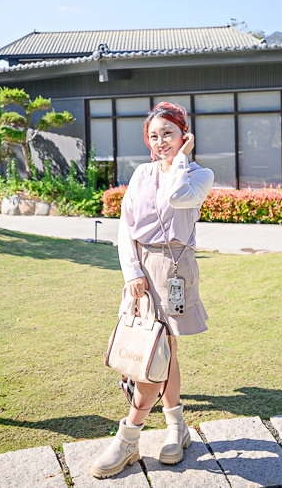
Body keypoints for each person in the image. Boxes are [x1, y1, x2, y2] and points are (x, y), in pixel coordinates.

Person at [91, 102, 214, 480]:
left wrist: (180, 160)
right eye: (155, 135)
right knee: (160, 349)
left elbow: (179, 197)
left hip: (174, 267)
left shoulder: (199, 175)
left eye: (169, 134)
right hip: (140, 270)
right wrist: (131, 272)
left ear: (185, 135)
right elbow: (125, 226)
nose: (161, 142)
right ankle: (176, 426)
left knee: (159, 350)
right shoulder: (142, 174)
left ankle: (129, 437)